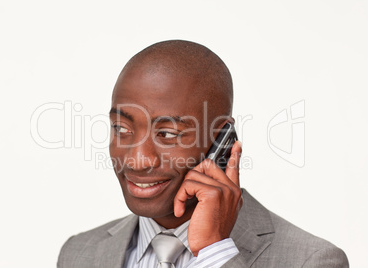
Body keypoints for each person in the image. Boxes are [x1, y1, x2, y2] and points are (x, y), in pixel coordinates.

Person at [57, 40, 349, 267]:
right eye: (121, 128)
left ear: (221, 137)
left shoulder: (312, 261)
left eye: (167, 134)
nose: (136, 159)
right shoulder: (79, 254)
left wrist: (216, 254)